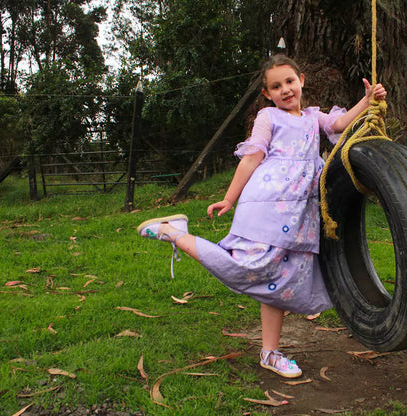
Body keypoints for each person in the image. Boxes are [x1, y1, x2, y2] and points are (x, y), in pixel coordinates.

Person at [137, 55, 387, 378]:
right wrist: (229, 198)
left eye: (289, 82)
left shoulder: (313, 118)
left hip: (300, 215)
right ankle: (174, 232)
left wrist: (367, 102)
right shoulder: (268, 117)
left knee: (278, 280)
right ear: (267, 93)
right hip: (269, 205)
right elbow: (251, 158)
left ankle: (269, 352)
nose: (285, 90)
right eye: (276, 86)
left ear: (301, 80)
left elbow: (340, 124)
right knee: (247, 266)